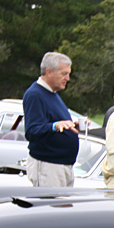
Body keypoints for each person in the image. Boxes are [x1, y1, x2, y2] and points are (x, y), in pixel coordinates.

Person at [21, 51, 79, 187]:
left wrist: (71, 126)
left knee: (64, 208)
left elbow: (56, 123)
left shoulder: (52, 94)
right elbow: (32, 131)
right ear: (49, 72)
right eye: (64, 74)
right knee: (51, 208)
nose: (68, 78)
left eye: (68, 74)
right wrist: (54, 126)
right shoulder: (35, 95)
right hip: (48, 167)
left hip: (62, 166)